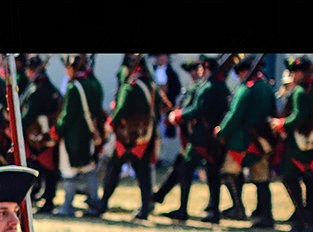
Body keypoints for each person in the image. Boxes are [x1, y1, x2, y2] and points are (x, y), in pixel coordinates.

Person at [160, 55, 230, 223]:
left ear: (205, 68)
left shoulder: (207, 87)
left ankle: (183, 209)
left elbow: (197, 110)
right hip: (213, 137)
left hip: (201, 137)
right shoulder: (222, 87)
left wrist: (179, 115)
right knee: (213, 174)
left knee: (185, 168)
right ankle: (214, 211)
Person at [90, 54, 160, 219]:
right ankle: (145, 206)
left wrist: (110, 124)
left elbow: (121, 109)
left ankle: (103, 204)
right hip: (146, 134)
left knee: (113, 168)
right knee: (143, 172)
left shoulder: (130, 86)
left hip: (127, 136)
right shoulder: (151, 85)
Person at [271, 56, 313, 232]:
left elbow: (298, 117)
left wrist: (281, 124)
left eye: (296, 72)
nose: (294, 75)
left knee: (289, 178)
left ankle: (302, 218)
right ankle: (310, 222)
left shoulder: (299, 92)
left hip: (299, 144)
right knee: (311, 183)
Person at [216, 56, 277, 228]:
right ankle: (265, 214)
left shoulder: (246, 89)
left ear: (243, 72)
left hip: (242, 141)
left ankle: (238, 208)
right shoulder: (266, 87)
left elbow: (234, 115)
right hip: (262, 139)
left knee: (228, 172)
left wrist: (221, 131)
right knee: (261, 180)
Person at [54, 55, 105, 217]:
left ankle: (68, 205)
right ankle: (94, 203)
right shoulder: (93, 84)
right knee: (89, 170)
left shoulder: (74, 87)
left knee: (69, 171)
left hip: (73, 137)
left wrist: (58, 129)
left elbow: (67, 115)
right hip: (88, 134)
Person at [19, 56, 62, 214]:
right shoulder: (45, 84)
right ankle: (44, 196)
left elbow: (30, 114)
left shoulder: (39, 88)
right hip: (41, 134)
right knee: (43, 169)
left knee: (45, 169)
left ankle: (48, 200)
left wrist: (16, 124)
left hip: (39, 135)